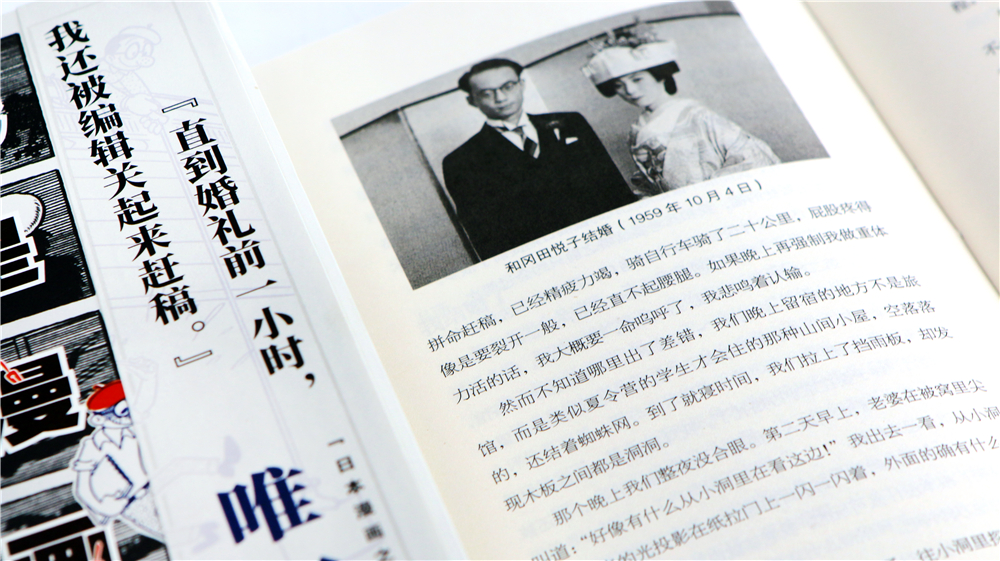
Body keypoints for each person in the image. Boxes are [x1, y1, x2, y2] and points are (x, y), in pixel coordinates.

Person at [443, 59, 636, 260]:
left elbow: (613, 184)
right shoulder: (460, 161)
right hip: (544, 259)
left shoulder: (570, 122)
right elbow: (484, 236)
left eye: (508, 86)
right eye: (486, 93)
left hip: (607, 241)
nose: (500, 98)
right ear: (472, 100)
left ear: (521, 85)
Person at [582, 28, 780, 197]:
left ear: (660, 76)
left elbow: (752, 156)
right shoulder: (637, 130)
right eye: (619, 85)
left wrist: (708, 193)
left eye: (637, 79)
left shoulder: (696, 116)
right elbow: (647, 184)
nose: (630, 91)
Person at [71, 380, 164, 541]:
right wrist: (103, 507)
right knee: (169, 532)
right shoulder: (94, 444)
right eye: (123, 410)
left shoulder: (137, 430)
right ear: (98, 420)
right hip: (133, 503)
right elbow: (82, 487)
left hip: (162, 486)